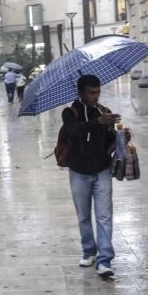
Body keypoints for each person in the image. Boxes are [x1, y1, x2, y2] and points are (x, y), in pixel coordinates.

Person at [61, 75, 125, 280]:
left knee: (104, 215)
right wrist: (96, 122)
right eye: (91, 92)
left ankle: (105, 258)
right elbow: (74, 131)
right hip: (79, 171)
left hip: (102, 170)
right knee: (83, 214)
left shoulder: (103, 111)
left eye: (98, 92)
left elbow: (107, 141)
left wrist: (120, 136)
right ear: (81, 93)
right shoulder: (70, 112)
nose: (95, 97)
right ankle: (88, 250)